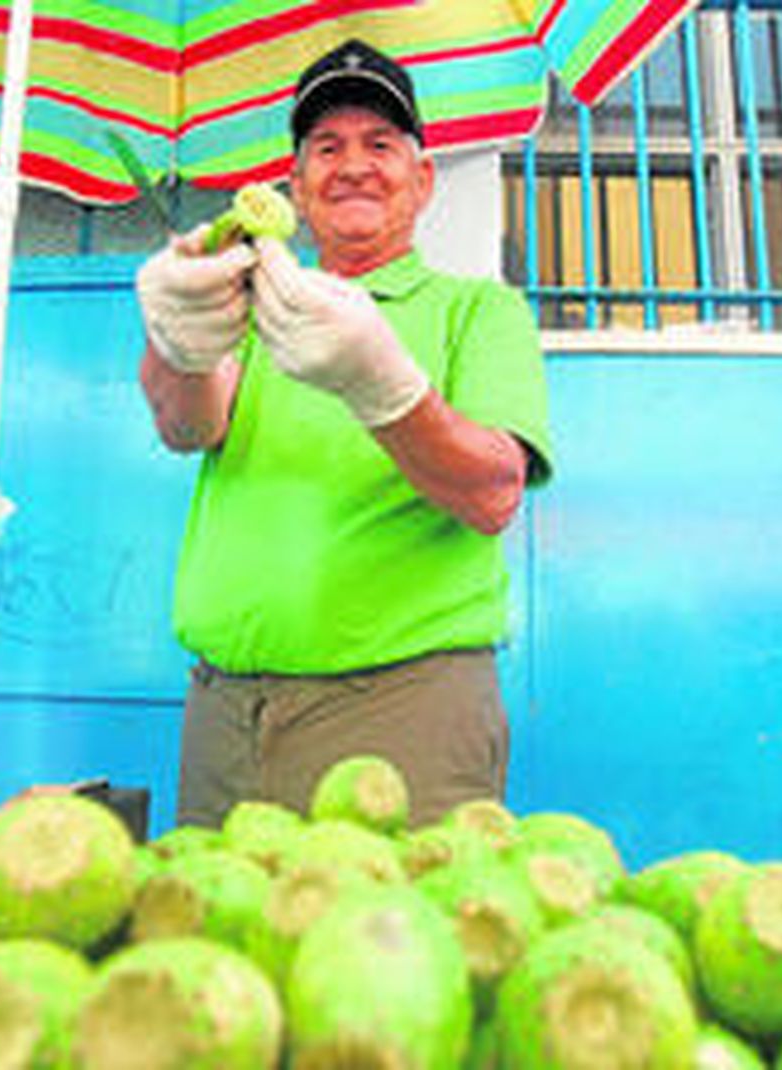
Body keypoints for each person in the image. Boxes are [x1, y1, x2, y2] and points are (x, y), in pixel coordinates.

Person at [136, 39, 553, 828]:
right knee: (212, 945)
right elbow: (184, 424)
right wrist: (178, 337)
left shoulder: (478, 310)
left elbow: (493, 492)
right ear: (295, 186)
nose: (352, 164)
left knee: (391, 945)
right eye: (326, 147)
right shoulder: (253, 300)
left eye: (380, 145)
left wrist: (381, 383)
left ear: (422, 179)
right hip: (223, 713)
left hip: (402, 715)